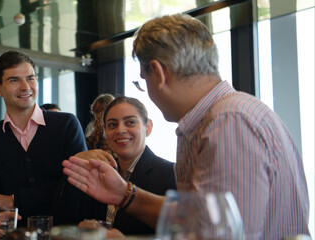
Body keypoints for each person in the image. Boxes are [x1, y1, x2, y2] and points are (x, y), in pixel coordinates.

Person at [62, 14, 310, 239]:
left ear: (159, 73)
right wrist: (125, 195)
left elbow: (222, 235)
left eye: (143, 79)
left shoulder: (228, 122)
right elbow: (199, 217)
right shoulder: (217, 118)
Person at [0, 51, 94, 240]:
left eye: (30, 78)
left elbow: (76, 188)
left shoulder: (66, 124)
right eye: (14, 80)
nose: (25, 87)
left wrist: (13, 200)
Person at [81, 96, 177, 235]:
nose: (120, 130)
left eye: (130, 122)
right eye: (112, 124)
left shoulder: (170, 174)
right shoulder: (99, 171)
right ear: (105, 132)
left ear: (148, 127)